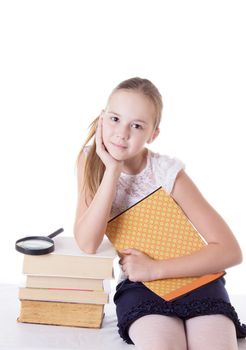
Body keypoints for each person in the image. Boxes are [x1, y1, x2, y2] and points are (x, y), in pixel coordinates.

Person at [74, 77, 246, 350]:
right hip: (142, 288)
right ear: (102, 117)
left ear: (152, 134)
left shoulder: (166, 173)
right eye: (115, 119)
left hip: (196, 280)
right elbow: (87, 242)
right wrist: (112, 172)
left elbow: (230, 251)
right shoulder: (90, 162)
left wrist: (156, 269)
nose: (122, 133)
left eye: (137, 125)